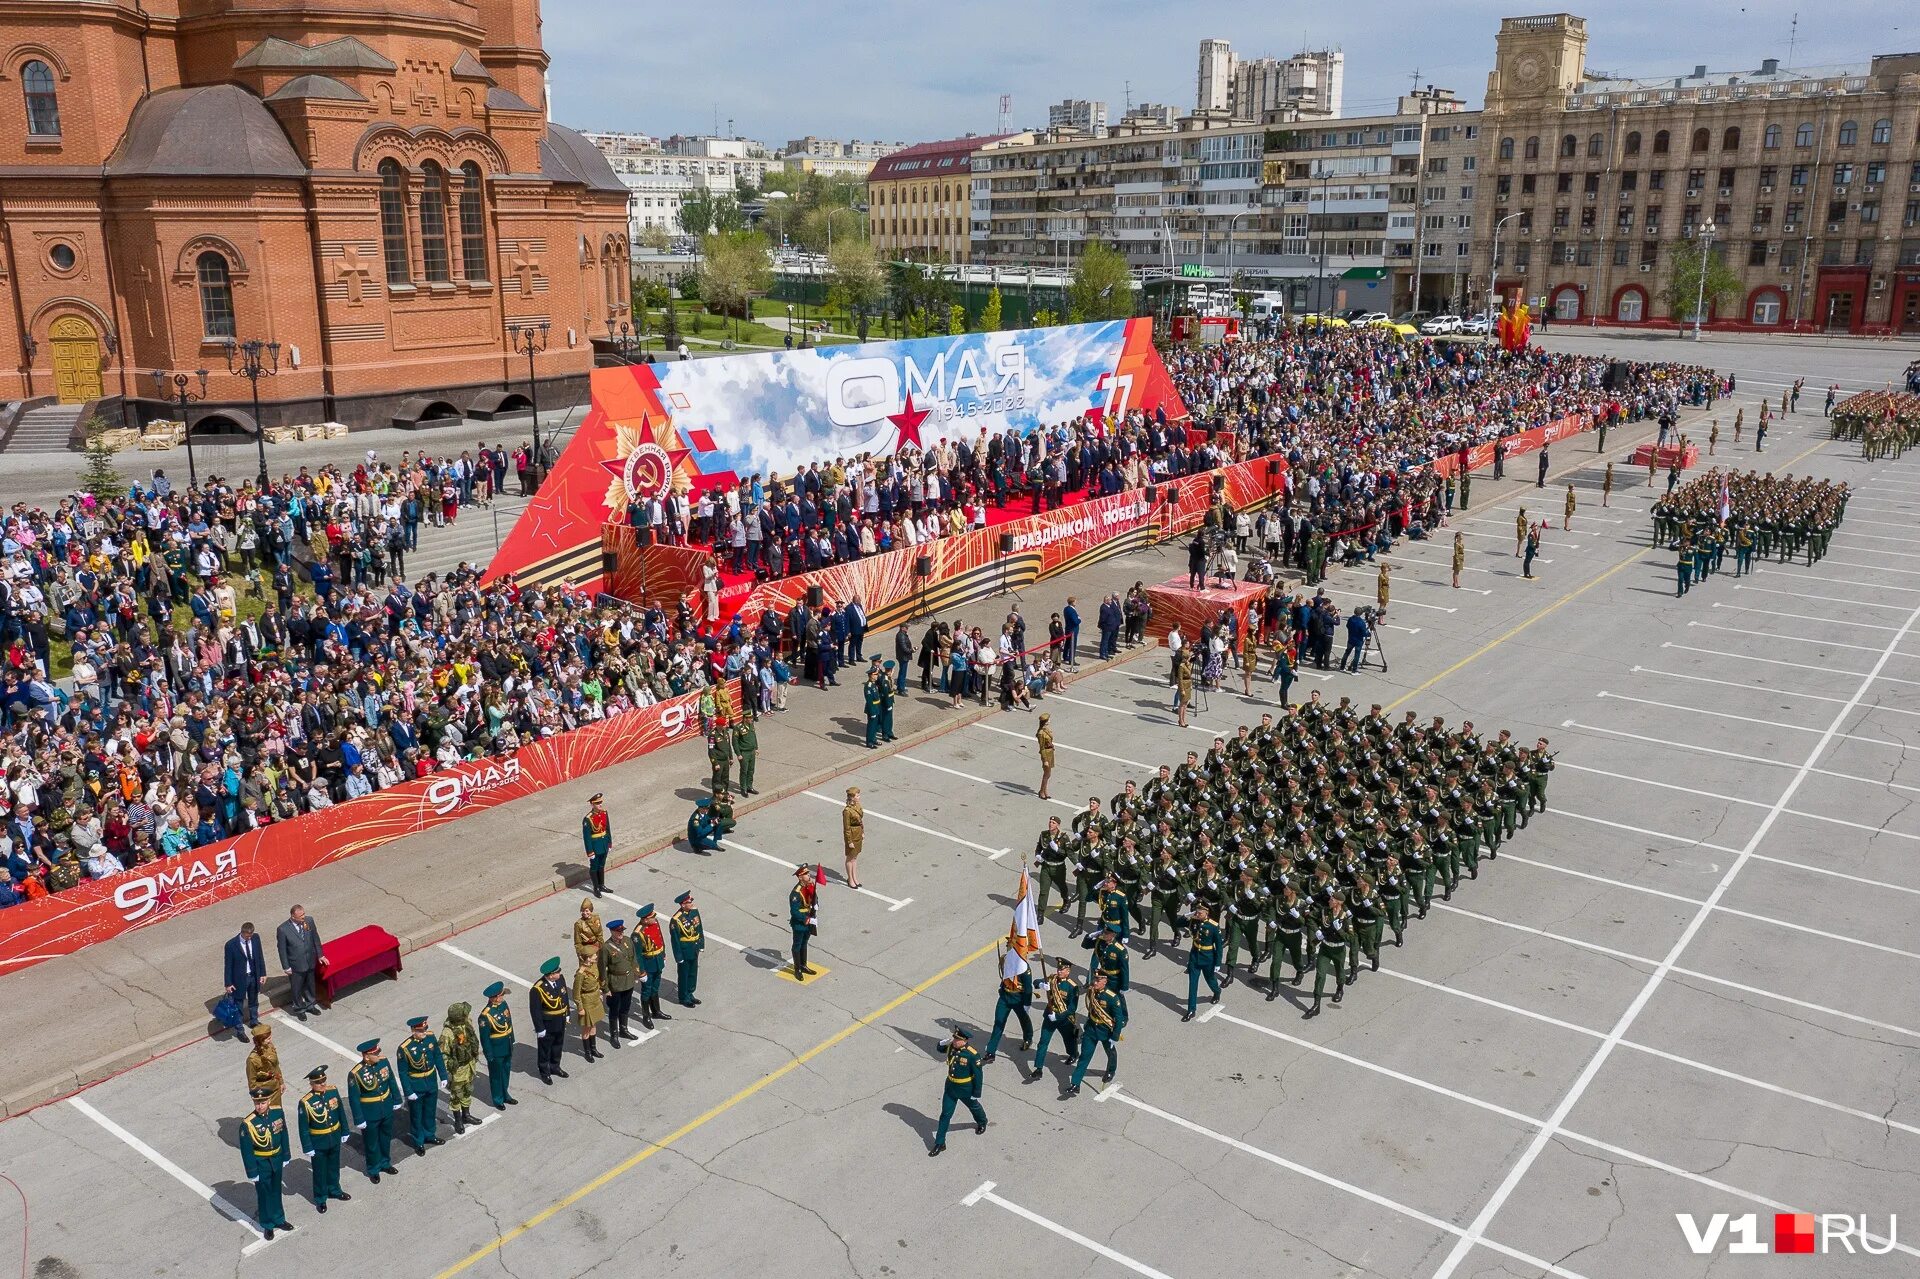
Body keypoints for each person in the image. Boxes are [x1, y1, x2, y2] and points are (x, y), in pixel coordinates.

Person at [239, 1086, 294, 1240]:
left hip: (276, 1158)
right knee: (264, 1195)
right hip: (261, 1162)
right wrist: (252, 1172)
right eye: (257, 1103)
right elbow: (247, 1151)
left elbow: (283, 1134)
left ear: (269, 1101)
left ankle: (279, 1219)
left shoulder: (277, 1112)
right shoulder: (248, 1124)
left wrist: (286, 1155)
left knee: (276, 1191)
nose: (260, 1106)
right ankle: (268, 1224)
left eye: (263, 1102)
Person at [295, 1065, 351, 1213]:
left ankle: (335, 1190)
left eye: (324, 1081)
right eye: (319, 1083)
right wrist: (307, 1147)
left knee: (334, 1167)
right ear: (312, 1084)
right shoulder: (306, 1102)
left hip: (334, 1137)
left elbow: (340, 1112)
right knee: (319, 1172)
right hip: (318, 1141)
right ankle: (320, 1198)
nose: (323, 1085)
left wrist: (345, 1130)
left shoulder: (332, 1091)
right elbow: (303, 1128)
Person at [929, 1026, 988, 1156]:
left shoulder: (972, 1055)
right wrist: (941, 1043)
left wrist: (976, 1093)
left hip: (965, 1088)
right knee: (945, 1114)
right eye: (954, 1038)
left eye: (957, 1039)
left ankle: (982, 1121)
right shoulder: (951, 1047)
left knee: (974, 1106)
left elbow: (978, 1075)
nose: (954, 1041)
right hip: (950, 1086)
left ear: (964, 1040)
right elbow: (940, 1049)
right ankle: (940, 1143)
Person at [1064, 971, 1125, 1098]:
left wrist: (1115, 1036)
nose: (1095, 982)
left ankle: (1111, 1070)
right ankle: (1075, 1084)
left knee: (1110, 1053)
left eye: (1098, 980)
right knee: (1084, 1057)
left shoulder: (1112, 998)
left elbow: (1118, 1019)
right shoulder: (1091, 992)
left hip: (1106, 1030)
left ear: (1105, 981)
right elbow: (1091, 1010)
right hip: (1091, 1030)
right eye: (1094, 980)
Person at [346, 1039, 399, 1183]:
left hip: (386, 1107)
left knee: (385, 1138)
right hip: (370, 1112)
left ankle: (385, 1163)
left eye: (378, 1051)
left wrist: (397, 1099)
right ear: (366, 1056)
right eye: (375, 1053)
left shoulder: (383, 1062)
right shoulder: (356, 1074)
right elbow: (354, 1099)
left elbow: (391, 1081)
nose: (378, 1054)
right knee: (371, 1143)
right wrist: (359, 1118)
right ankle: (373, 1168)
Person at [396, 1015, 448, 1153]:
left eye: (425, 1029)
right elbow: (403, 1072)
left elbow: (437, 1056)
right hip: (416, 1085)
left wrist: (443, 1076)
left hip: (430, 1081)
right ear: (413, 1031)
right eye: (421, 1031)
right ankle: (418, 1140)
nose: (424, 1032)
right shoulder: (405, 1048)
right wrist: (408, 1091)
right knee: (416, 1114)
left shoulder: (430, 1038)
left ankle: (430, 1135)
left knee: (430, 1111)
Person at [1026, 959, 1080, 1083]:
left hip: (1064, 1019)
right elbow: (1035, 982)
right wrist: (1041, 985)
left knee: (1068, 1040)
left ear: (1068, 971)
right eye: (1058, 969)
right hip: (1050, 1016)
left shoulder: (1072, 987)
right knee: (1043, 1042)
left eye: (1062, 970)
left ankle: (1073, 1054)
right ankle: (1038, 1068)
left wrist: (1059, 1017)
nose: (1059, 971)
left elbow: (1072, 1008)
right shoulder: (1052, 979)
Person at [981, 947, 1034, 1064]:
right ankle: (991, 1052)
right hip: (1005, 997)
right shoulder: (1005, 960)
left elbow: (1028, 988)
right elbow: (1005, 976)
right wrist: (1002, 987)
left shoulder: (1024, 968)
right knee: (998, 1023)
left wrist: (1027, 1004)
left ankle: (1028, 1038)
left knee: (1024, 1020)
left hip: (1018, 999)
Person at [275, 904, 323, 1020]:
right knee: (297, 988)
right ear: (293, 916)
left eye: (304, 914)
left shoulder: (309, 921)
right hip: (295, 964)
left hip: (309, 960)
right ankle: (299, 1008)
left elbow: (315, 938)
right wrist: (286, 966)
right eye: (301, 915)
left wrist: (320, 955)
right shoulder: (283, 929)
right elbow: (282, 949)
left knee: (310, 985)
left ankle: (310, 1004)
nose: (303, 917)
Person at [440, 1002, 480, 1133]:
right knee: (456, 1095)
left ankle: (466, 1115)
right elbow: (443, 1054)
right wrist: (448, 1072)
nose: (467, 1015)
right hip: (457, 1069)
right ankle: (458, 1120)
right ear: (459, 1017)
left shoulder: (466, 1022)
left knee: (468, 1090)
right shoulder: (447, 1033)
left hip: (469, 1065)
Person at [599, 919, 640, 1046]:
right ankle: (614, 1034)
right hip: (615, 983)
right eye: (618, 931)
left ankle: (624, 1029)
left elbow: (633, 958)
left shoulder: (627, 941)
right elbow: (602, 969)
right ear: (612, 932)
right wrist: (605, 988)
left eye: (622, 930)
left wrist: (636, 973)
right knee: (614, 1010)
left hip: (628, 980)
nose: (621, 933)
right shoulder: (606, 948)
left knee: (625, 1007)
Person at [530, 957, 571, 1084]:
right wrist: (539, 1028)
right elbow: (535, 1010)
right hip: (547, 1023)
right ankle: (544, 1072)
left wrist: (567, 1013)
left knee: (558, 1045)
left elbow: (564, 997)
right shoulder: (538, 989)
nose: (559, 973)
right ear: (551, 975)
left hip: (560, 1020)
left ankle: (555, 1066)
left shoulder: (560, 979)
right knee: (545, 1049)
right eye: (557, 972)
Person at [478, 981, 517, 1109]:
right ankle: (498, 1099)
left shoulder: (503, 1005)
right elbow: (485, 1038)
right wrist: (489, 1054)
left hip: (506, 1045)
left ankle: (505, 1094)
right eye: (501, 996)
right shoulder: (485, 1015)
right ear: (494, 997)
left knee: (505, 1071)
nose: (502, 997)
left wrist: (512, 1040)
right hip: (495, 1050)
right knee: (496, 1076)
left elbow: (509, 1023)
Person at [224, 922, 267, 1037]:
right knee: (238, 1005)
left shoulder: (256, 939)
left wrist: (262, 973)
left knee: (253, 1001)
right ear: (242, 932)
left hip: (253, 976)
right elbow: (228, 966)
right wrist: (228, 983)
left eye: (251, 935)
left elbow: (260, 957)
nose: (249, 938)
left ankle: (254, 1021)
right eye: (247, 936)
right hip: (239, 979)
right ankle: (240, 1030)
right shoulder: (231, 945)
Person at [1183, 903, 1223, 1022]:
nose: (1198, 914)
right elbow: (1178, 923)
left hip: (1208, 958)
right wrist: (1187, 915)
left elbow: (1219, 947)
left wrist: (1217, 963)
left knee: (1210, 980)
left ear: (1207, 913)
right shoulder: (1194, 921)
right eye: (1197, 912)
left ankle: (1217, 991)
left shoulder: (1213, 926)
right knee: (1192, 984)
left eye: (1200, 912)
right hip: (1195, 957)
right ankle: (1191, 1010)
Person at [636, 903, 671, 1028]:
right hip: (648, 965)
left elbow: (660, 939)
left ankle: (656, 1011)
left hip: (657, 961)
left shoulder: (655, 924)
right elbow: (637, 956)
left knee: (655, 988)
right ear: (645, 919)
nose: (655, 919)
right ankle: (646, 1016)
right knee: (646, 991)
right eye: (652, 917)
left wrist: (664, 954)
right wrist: (641, 971)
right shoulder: (638, 934)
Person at [670, 891, 705, 1007]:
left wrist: (701, 944)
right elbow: (675, 940)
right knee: (684, 974)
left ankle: (690, 993)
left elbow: (699, 928)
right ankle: (683, 997)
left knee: (693, 972)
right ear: (683, 904)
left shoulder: (694, 911)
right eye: (689, 902)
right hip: (685, 950)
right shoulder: (676, 919)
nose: (691, 903)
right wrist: (678, 956)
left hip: (694, 947)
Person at [245, 1024, 284, 1112]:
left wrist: (281, 1082)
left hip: (275, 1087)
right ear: (260, 1041)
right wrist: (258, 1099)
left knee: (278, 1113)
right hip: (264, 1094)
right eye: (268, 1039)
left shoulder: (270, 1047)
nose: (270, 1041)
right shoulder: (252, 1059)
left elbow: (276, 1066)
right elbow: (252, 1082)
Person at [574, 953, 605, 1061]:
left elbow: (596, 980)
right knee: (587, 1028)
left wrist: (600, 992)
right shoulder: (580, 974)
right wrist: (580, 1007)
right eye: (592, 956)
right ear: (587, 958)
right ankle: (587, 1052)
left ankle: (593, 1049)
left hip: (595, 997)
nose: (596, 956)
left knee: (594, 1024)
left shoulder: (593, 966)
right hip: (587, 1001)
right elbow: (576, 993)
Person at [789, 865, 819, 981]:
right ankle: (797, 969)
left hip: (809, 920)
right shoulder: (796, 893)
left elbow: (813, 899)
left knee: (805, 942)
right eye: (806, 874)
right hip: (800, 923)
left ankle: (803, 965)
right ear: (800, 877)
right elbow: (794, 911)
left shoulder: (809, 886)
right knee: (797, 945)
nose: (809, 875)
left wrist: (816, 905)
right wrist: (805, 918)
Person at [581, 792, 612, 897]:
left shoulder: (604, 813)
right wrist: (590, 852)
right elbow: (587, 837)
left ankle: (602, 884)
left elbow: (607, 829)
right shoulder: (588, 819)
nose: (600, 805)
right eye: (597, 803)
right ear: (592, 804)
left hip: (603, 844)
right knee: (594, 867)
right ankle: (596, 887)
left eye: (601, 802)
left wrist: (609, 842)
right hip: (595, 846)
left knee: (602, 865)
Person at [842, 786, 864, 888]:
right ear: (852, 797)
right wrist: (849, 841)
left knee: (855, 857)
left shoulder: (857, 806)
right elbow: (846, 827)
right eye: (857, 795)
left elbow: (860, 820)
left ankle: (854, 877)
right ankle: (850, 879)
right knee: (850, 858)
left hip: (858, 832)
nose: (859, 797)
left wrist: (862, 831)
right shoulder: (847, 811)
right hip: (852, 834)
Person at [572, 897, 604, 966]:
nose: (585, 913)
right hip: (587, 949)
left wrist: (602, 947)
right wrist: (580, 953)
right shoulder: (579, 924)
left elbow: (600, 933)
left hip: (597, 945)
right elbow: (577, 941)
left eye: (587, 911)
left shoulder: (596, 918)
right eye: (583, 911)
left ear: (591, 910)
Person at [733, 716, 760, 794]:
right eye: (750, 718)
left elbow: (754, 736)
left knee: (751, 770)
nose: (751, 719)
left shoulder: (751, 725)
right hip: (744, 753)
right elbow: (735, 742)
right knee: (744, 771)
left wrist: (756, 747)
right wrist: (738, 754)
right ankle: (743, 788)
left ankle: (749, 786)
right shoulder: (738, 728)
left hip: (752, 752)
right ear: (745, 719)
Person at [1035, 713, 1056, 800]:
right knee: (1046, 774)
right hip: (1046, 754)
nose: (1050, 720)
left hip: (1050, 751)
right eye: (1048, 719)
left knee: (1048, 774)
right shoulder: (1041, 733)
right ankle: (1042, 791)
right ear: (1045, 721)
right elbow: (1042, 747)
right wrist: (1045, 760)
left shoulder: (1046, 729)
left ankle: (1045, 790)